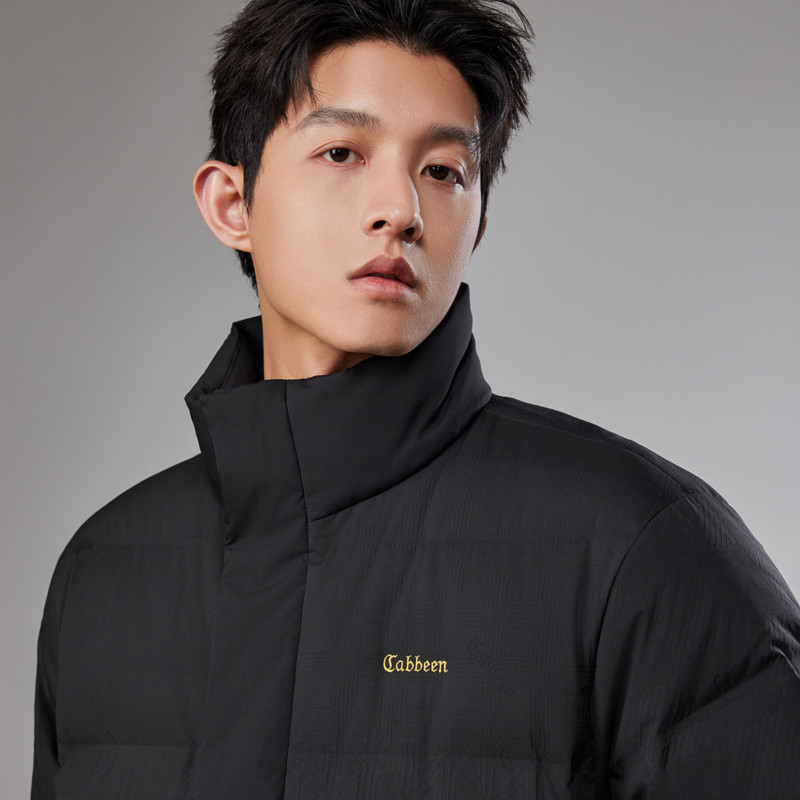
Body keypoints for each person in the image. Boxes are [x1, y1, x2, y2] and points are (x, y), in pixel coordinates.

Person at [32, 0, 800, 797]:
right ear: (233, 205)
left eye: (443, 172)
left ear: (477, 226)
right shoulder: (103, 571)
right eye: (341, 152)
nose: (400, 211)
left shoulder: (639, 545)